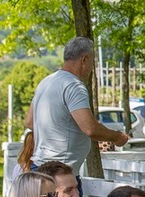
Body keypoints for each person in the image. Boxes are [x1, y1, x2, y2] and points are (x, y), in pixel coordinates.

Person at [30, 37, 130, 175]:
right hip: (60, 173)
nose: (92, 67)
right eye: (93, 61)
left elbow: (29, 122)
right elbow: (90, 129)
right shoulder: (73, 85)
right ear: (84, 59)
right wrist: (117, 137)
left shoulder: (45, 82)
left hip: (38, 167)